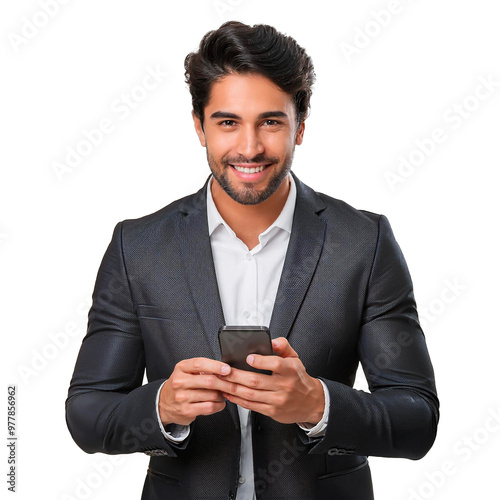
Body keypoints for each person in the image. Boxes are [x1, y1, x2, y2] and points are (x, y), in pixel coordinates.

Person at [65, 21, 439, 500]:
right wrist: (163, 405)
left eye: (270, 121)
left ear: (300, 126)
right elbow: (88, 414)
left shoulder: (364, 242)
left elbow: (417, 419)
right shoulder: (137, 247)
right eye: (227, 122)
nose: (249, 147)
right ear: (199, 126)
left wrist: (318, 404)